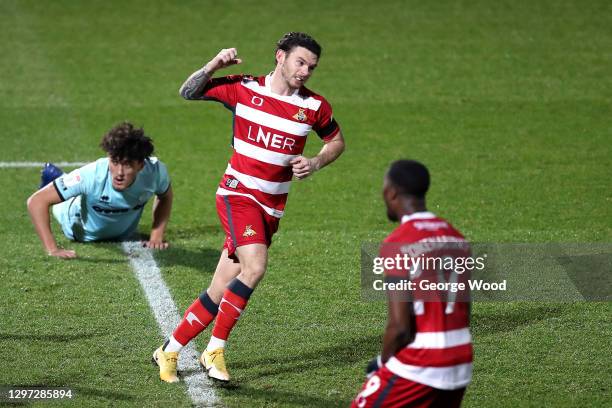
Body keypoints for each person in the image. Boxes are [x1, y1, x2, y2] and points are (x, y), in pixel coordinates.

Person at [153, 32, 345, 383]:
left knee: (220, 289)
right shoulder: (244, 88)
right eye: (300, 62)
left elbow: (336, 141)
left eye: (311, 67)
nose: (305, 71)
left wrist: (315, 163)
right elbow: (188, 92)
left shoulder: (315, 107)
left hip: (271, 210)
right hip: (238, 195)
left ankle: (169, 349)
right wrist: (215, 64)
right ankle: (215, 350)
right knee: (254, 268)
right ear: (280, 57)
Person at [352, 160, 473, 407]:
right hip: (461, 358)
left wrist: (383, 366)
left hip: (424, 361)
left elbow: (400, 327)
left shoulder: (399, 242)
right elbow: (464, 311)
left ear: (391, 192)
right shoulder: (456, 237)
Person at [27, 122, 173, 258]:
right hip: (77, 225)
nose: (119, 173)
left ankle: (58, 177)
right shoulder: (91, 174)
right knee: (59, 203)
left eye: (127, 165)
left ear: (141, 165)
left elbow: (165, 196)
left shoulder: (155, 172)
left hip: (123, 234)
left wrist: (156, 235)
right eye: (115, 162)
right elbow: (36, 201)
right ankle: (55, 178)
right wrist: (52, 249)